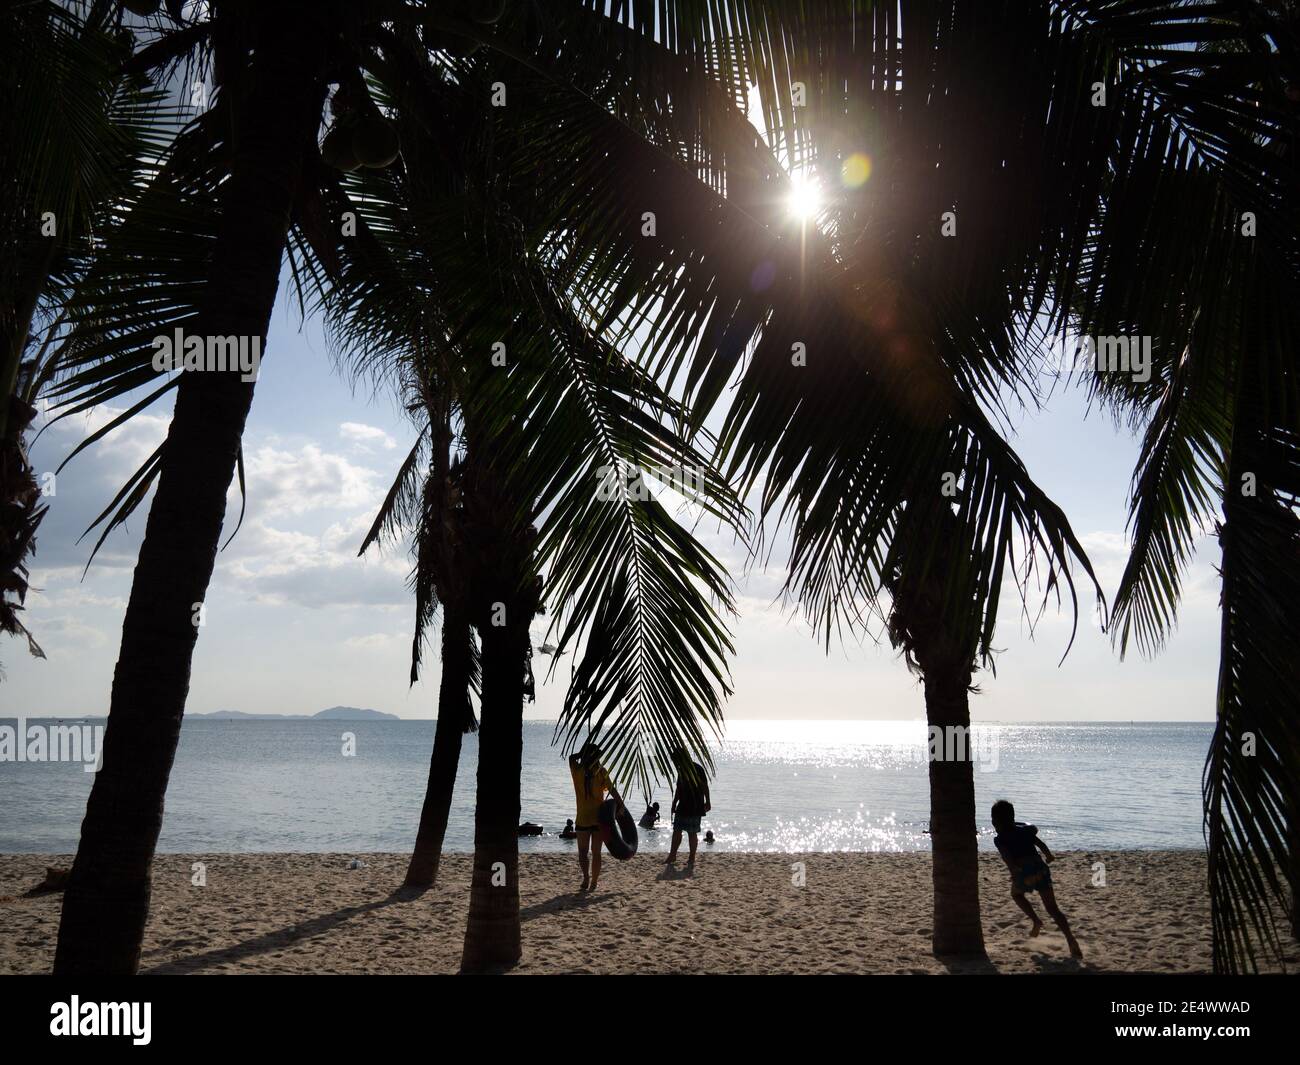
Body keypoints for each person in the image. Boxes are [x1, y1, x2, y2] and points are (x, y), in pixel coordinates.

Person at [991, 799, 1082, 958]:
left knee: (1016, 895)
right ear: (1013, 817)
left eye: (993, 820)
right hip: (1041, 868)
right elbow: (1041, 844)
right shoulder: (1026, 831)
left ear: (995, 821)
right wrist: (1049, 856)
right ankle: (1071, 939)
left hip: (1024, 871)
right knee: (1052, 908)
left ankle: (1036, 920)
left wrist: (1013, 872)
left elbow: (1007, 858)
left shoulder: (1000, 839)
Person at [568, 743, 623, 892]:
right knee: (596, 852)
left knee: (583, 852)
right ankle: (593, 882)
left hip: (583, 819)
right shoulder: (601, 772)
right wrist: (621, 805)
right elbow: (612, 790)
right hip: (600, 819)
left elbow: (571, 757)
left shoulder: (578, 770)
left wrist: (581, 752)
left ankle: (586, 878)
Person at [666, 747, 711, 866]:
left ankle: (691, 858)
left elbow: (704, 786)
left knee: (692, 832)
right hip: (683, 804)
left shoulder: (697, 768)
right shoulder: (681, 770)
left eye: (676, 759)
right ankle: (672, 855)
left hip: (695, 805)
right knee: (677, 830)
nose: (675, 762)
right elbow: (679, 788)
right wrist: (674, 802)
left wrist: (708, 801)